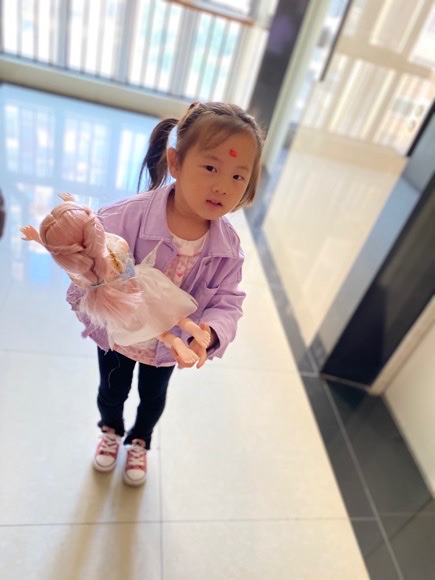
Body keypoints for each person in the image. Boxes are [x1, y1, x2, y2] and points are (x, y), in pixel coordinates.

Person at [66, 101, 264, 486]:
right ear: (175, 162)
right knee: (112, 391)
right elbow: (85, 274)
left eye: (239, 176)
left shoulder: (227, 247)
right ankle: (110, 430)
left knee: (153, 398)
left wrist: (211, 332)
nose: (223, 186)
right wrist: (95, 292)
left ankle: (140, 439)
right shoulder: (120, 218)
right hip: (119, 338)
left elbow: (228, 299)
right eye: (211, 168)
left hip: (167, 348)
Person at [20, 193, 210, 365]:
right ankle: (193, 329)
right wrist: (74, 207)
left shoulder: (84, 276)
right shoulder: (117, 245)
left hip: (121, 302)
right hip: (143, 284)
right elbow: (95, 236)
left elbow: (75, 249)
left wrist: (40, 240)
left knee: (156, 330)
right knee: (171, 310)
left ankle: (175, 341)